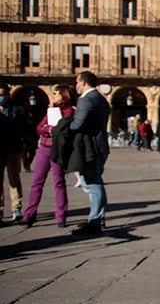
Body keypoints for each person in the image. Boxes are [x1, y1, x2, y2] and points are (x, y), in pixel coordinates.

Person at [21, 85, 77, 227]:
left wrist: (50, 128)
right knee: (37, 182)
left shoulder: (70, 111)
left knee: (58, 182)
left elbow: (61, 130)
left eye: (56, 93)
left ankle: (60, 216)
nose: (53, 96)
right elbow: (40, 127)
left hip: (58, 149)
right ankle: (29, 214)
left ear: (63, 95)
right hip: (44, 148)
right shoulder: (52, 110)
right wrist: (49, 129)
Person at [69, 71, 111, 235]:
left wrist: (63, 123)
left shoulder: (86, 100)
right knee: (95, 182)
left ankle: (95, 221)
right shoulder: (101, 99)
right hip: (101, 145)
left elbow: (78, 125)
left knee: (93, 184)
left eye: (77, 82)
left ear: (84, 82)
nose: (76, 85)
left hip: (90, 147)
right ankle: (97, 218)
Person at [0, 83, 28, 223]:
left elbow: (26, 127)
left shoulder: (18, 110)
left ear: (8, 95)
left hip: (13, 149)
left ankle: (16, 208)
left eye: (2, 95)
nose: (0, 98)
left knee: (14, 179)